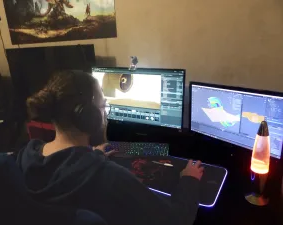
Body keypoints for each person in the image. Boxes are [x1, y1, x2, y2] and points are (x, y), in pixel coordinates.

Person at [16, 70, 204, 225]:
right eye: (102, 104)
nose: (105, 109)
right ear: (88, 116)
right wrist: (189, 180)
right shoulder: (108, 177)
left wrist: (92, 155)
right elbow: (177, 219)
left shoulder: (26, 156)